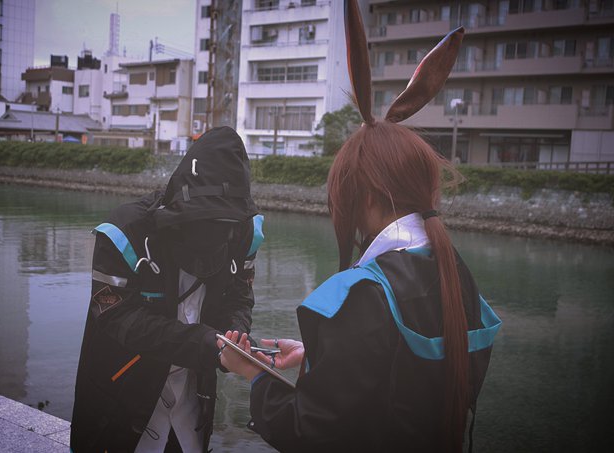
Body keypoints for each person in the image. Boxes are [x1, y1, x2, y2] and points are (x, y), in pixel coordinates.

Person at [217, 2, 501, 452]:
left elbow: (307, 431)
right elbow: (412, 384)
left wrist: (253, 373)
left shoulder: (363, 293)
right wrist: (322, 356)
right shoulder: (455, 273)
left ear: (365, 197)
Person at [70, 126, 264, 452]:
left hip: (193, 405)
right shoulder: (124, 232)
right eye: (200, 225)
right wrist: (206, 344)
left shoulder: (244, 235)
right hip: (117, 401)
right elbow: (115, 318)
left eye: (222, 228)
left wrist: (236, 338)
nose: (210, 238)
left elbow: (239, 297)